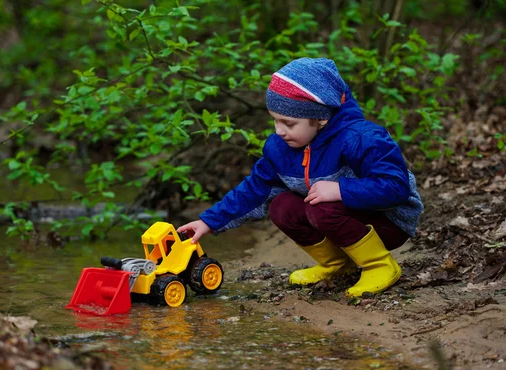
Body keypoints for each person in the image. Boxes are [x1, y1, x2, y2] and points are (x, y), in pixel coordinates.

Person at [178, 58, 423, 297]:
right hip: (340, 217)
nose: (279, 131)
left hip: (388, 222)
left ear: (320, 119)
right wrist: (209, 222)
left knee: (322, 206)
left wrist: (340, 190)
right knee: (282, 207)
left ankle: (380, 266)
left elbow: (396, 187)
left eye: (288, 123)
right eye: (275, 120)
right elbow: (255, 190)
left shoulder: (361, 138)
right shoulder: (281, 148)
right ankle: (337, 265)